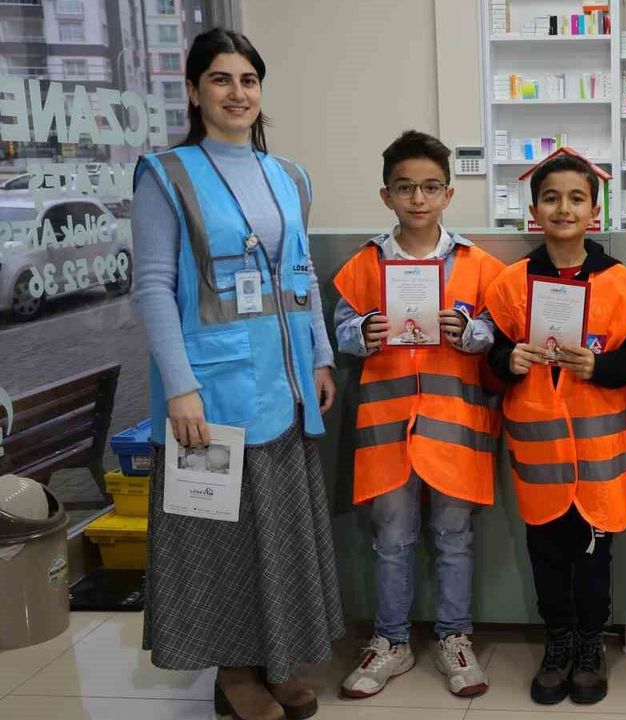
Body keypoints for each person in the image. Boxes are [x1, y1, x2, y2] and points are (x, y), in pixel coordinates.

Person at [131, 28, 341, 720]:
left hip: (283, 386)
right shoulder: (166, 175)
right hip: (211, 392)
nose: (237, 93)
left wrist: (319, 356)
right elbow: (152, 287)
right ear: (195, 92)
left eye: (248, 80)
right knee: (219, 537)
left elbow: (303, 275)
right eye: (220, 79)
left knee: (276, 536)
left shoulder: (290, 177)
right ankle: (234, 672)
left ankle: (277, 662)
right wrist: (180, 386)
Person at [331, 130, 505, 700]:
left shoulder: (478, 265)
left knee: (454, 537)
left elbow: (496, 333)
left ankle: (455, 636)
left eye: (431, 187)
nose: (418, 199)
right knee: (392, 538)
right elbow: (340, 328)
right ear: (386, 196)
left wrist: (470, 332)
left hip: (454, 425)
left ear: (449, 194)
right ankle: (391, 641)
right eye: (405, 188)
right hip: (387, 427)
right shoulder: (366, 264)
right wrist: (363, 332)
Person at [485, 150, 626, 706]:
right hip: (540, 454)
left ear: (594, 210)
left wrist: (599, 366)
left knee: (595, 556)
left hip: (601, 457)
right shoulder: (510, 283)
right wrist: (510, 360)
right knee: (547, 552)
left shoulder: (624, 284)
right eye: (551, 198)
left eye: (576, 198)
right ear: (533, 210)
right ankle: (557, 639)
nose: (563, 208)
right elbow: (493, 354)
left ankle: (589, 643)